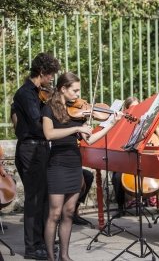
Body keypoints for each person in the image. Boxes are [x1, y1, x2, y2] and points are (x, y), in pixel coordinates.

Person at [42, 72, 123, 261]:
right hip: (57, 164)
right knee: (54, 213)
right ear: (63, 89)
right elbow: (49, 134)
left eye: (79, 91)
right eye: (75, 90)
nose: (78, 95)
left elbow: (91, 139)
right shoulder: (48, 109)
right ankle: (51, 257)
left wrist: (111, 123)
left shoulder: (79, 114)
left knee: (68, 212)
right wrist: (76, 128)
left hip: (73, 163)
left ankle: (64, 256)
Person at [13, 52, 60, 260]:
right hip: (30, 149)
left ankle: (42, 240)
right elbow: (35, 122)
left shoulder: (38, 93)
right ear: (42, 72)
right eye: (50, 75)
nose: (51, 80)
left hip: (40, 148)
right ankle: (32, 247)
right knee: (33, 199)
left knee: (42, 198)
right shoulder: (25, 93)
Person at [111, 96, 159, 217]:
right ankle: (120, 208)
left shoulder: (147, 120)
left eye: (138, 107)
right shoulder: (122, 124)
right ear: (126, 109)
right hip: (128, 161)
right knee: (116, 176)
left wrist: (154, 126)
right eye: (133, 107)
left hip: (146, 160)